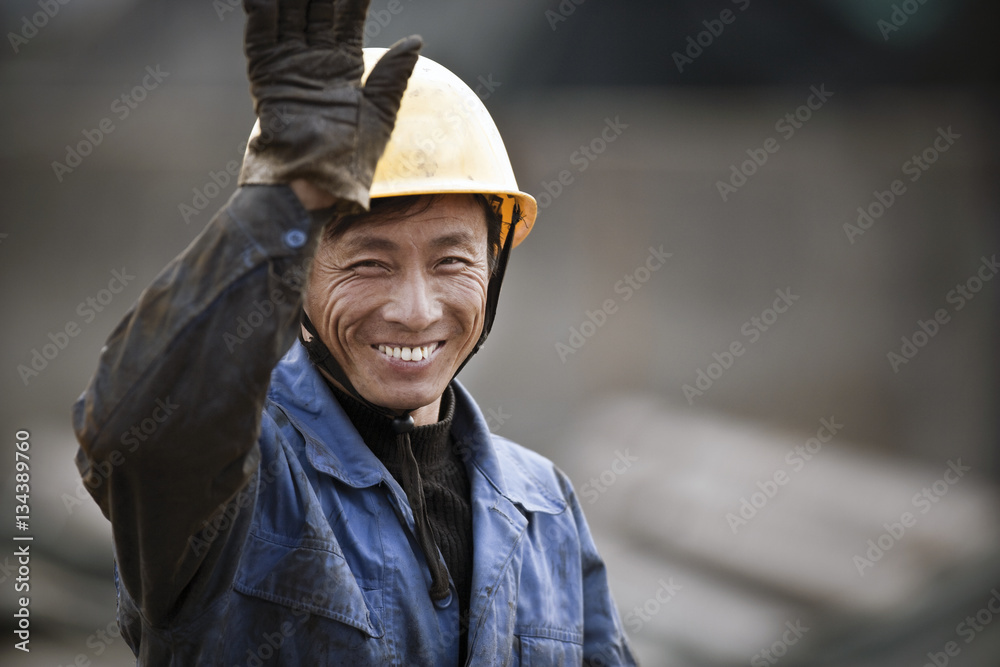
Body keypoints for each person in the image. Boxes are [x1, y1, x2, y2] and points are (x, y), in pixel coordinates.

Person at [72, 0, 637, 664]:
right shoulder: (238, 479)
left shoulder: (544, 508)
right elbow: (135, 435)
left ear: (495, 264)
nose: (417, 309)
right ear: (295, 278)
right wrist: (285, 199)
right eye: (369, 262)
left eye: (452, 260)